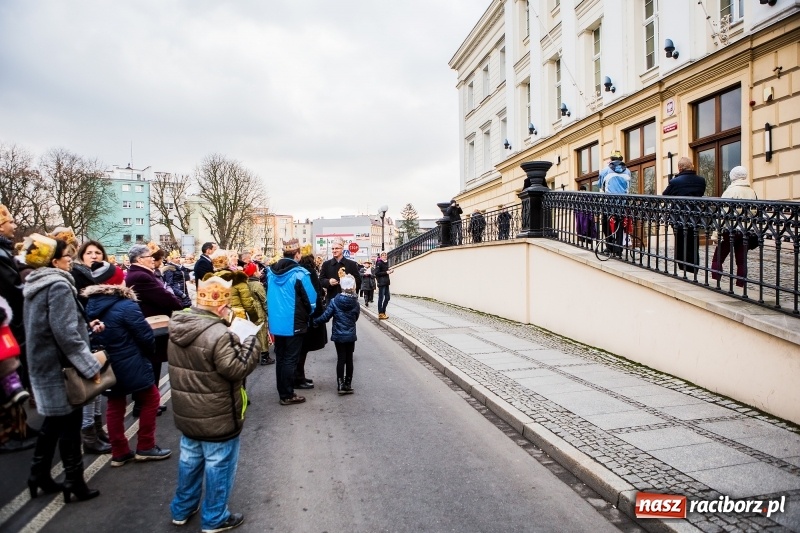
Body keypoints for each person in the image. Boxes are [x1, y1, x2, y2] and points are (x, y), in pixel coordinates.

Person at [168, 275, 259, 532]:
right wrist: (250, 339)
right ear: (221, 306)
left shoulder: (179, 325)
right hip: (217, 415)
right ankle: (215, 517)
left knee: (189, 461)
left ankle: (182, 509)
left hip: (188, 413)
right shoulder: (219, 334)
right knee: (219, 466)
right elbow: (236, 369)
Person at [22, 236, 103, 502]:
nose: (71, 261)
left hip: (45, 362)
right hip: (62, 366)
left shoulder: (36, 284)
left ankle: (39, 474)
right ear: (54, 262)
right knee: (70, 423)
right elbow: (66, 333)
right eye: (67, 258)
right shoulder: (57, 285)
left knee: (54, 422)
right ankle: (74, 480)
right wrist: (89, 365)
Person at [83, 262, 171, 466]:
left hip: (109, 362)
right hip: (131, 359)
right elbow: (145, 335)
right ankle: (146, 446)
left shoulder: (92, 304)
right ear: (115, 281)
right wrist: (149, 353)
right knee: (151, 399)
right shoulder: (126, 305)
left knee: (115, 405)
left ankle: (119, 451)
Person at [125, 244, 184, 416]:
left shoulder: (139, 274)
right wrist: (177, 302)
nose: (152, 258)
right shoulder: (141, 276)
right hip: (152, 325)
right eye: (148, 256)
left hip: (150, 324)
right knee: (151, 364)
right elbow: (163, 296)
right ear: (138, 259)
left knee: (151, 364)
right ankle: (144, 404)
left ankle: (147, 401)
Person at [71, 240, 112, 454]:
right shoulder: (77, 276)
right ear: (81, 255)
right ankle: (88, 434)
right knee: (89, 387)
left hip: (93, 331)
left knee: (98, 386)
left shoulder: (97, 276)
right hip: (82, 335)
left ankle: (97, 428)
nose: (94, 256)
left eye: (98, 253)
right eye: (89, 253)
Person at [267, 239, 317, 406]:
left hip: (277, 322)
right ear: (297, 254)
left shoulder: (270, 273)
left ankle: (282, 391)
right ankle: (287, 395)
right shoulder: (299, 274)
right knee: (290, 359)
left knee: (281, 357)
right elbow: (311, 299)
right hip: (294, 322)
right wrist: (307, 314)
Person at [313, 274, 360, 394]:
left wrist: (314, 322)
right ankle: (348, 384)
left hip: (338, 335)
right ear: (353, 287)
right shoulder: (355, 302)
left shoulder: (334, 301)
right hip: (350, 335)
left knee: (341, 359)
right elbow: (356, 317)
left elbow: (326, 316)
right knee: (349, 360)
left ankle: (340, 385)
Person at [711, 166, 758, 287]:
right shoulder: (751, 191)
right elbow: (755, 212)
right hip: (745, 230)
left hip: (729, 230)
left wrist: (716, 233)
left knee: (717, 259)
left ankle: (715, 282)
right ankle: (740, 286)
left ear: (732, 177)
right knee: (741, 262)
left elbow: (722, 213)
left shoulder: (730, 191)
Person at [662, 157, 707, 273]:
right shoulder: (701, 180)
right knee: (693, 242)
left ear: (679, 168)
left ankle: (683, 266)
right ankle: (694, 267)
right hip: (695, 216)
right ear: (691, 166)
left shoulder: (675, 182)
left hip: (679, 216)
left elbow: (665, 195)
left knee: (681, 242)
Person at [296, 249, 327, 389]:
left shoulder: (297, 270)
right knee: (303, 349)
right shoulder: (309, 272)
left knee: (300, 350)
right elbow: (314, 295)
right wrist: (319, 317)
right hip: (308, 316)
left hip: (298, 315)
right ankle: (299, 378)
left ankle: (299, 376)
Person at [598, 154, 631, 256]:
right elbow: (629, 186)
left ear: (611, 160)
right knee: (620, 224)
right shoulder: (627, 171)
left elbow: (600, 185)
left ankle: (610, 246)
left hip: (609, 202)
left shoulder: (605, 170)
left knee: (605, 223)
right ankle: (618, 249)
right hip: (623, 202)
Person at [243, 263, 273, 365]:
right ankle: (265, 356)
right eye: (257, 270)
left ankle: (255, 355)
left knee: (254, 333)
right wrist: (269, 313)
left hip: (250, 311)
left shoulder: (246, 283)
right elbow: (264, 300)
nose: (259, 272)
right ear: (254, 273)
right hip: (259, 311)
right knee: (262, 333)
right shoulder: (257, 285)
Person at [319, 238, 361, 304]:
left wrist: (349, 280)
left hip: (347, 302)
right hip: (332, 301)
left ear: (342, 249)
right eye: (333, 249)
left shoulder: (352, 264)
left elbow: (358, 282)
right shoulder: (326, 264)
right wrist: (328, 282)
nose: (334, 251)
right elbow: (320, 281)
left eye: (337, 248)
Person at [374, 251, 394, 320]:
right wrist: (386, 272)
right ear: (380, 256)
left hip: (386, 282)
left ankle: (383, 311)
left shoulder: (385, 263)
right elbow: (376, 273)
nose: (385, 256)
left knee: (387, 298)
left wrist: (389, 270)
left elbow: (385, 270)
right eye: (383, 255)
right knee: (381, 298)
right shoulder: (379, 263)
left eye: (385, 255)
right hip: (382, 283)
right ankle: (380, 313)